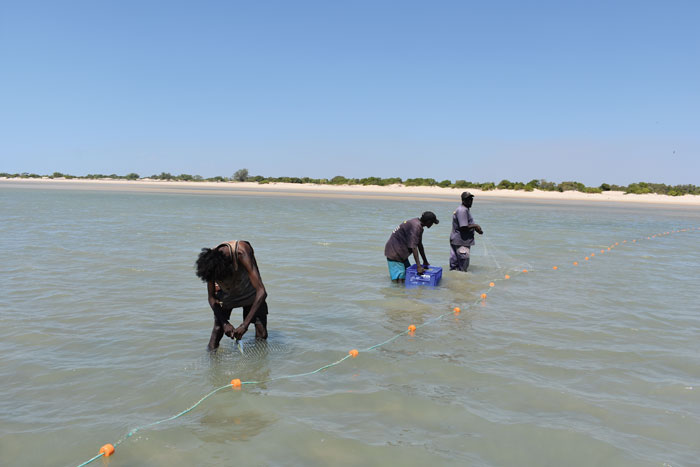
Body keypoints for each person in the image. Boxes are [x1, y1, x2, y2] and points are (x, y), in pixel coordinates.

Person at [195, 240, 268, 350]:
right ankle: (212, 362)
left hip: (250, 290)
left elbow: (261, 292)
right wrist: (225, 324)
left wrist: (244, 325)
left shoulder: (241, 252)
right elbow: (211, 298)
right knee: (218, 329)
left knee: (262, 333)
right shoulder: (210, 264)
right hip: (226, 292)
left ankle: (258, 364)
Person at [384, 211, 439, 282]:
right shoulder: (416, 227)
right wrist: (419, 266)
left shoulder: (418, 225)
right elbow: (413, 247)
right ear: (428, 221)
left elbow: (419, 245)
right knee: (399, 281)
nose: (432, 224)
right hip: (395, 253)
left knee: (408, 276)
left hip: (401, 253)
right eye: (432, 222)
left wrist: (425, 261)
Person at [449, 191, 483, 271]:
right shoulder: (462, 210)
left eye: (471, 199)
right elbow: (463, 227)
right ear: (463, 200)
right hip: (461, 242)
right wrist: (476, 226)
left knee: (455, 265)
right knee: (462, 267)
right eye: (468, 199)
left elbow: (465, 225)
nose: (470, 201)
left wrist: (475, 228)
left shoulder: (463, 209)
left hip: (458, 241)